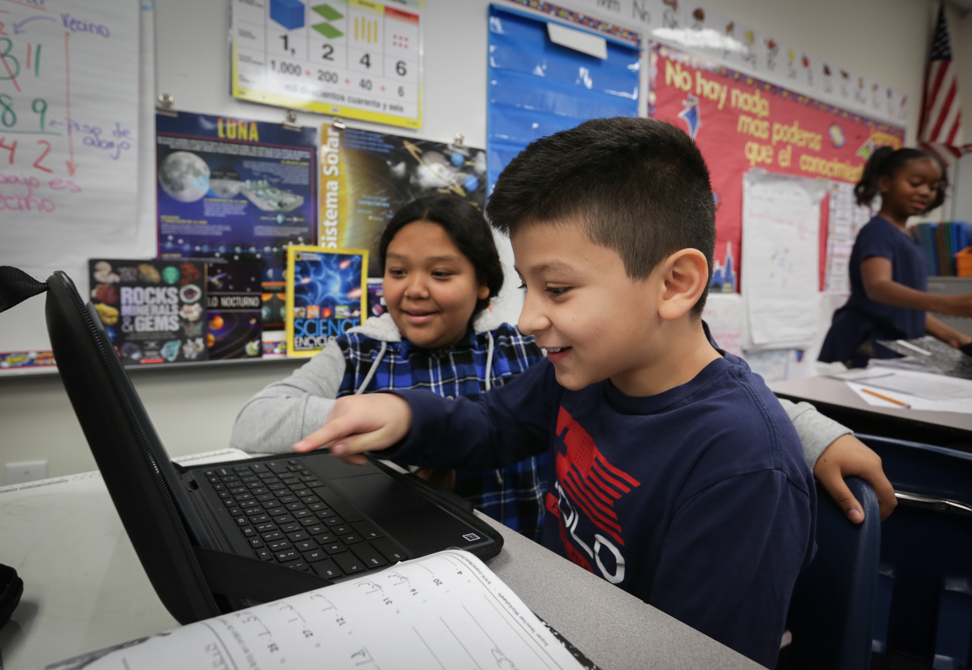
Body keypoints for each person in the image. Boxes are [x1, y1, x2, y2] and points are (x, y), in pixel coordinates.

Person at [289, 118, 888, 668]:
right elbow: (492, 426)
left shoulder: (740, 463)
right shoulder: (581, 373)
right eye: (527, 287)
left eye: (557, 288)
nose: (527, 319)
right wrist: (403, 412)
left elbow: (693, 657)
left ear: (675, 284)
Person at [232, 194, 549, 540]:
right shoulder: (357, 351)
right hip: (395, 566)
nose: (414, 289)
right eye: (398, 271)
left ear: (483, 283)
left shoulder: (523, 349)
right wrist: (363, 419)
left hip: (518, 564)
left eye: (441, 274)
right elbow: (252, 423)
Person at [820, 146, 972, 367]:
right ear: (884, 183)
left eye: (933, 187)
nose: (926, 192)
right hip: (871, 339)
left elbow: (908, 310)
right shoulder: (878, 231)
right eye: (916, 183)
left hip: (903, 339)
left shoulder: (910, 236)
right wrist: (947, 305)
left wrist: (956, 337)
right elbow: (878, 286)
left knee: (961, 369)